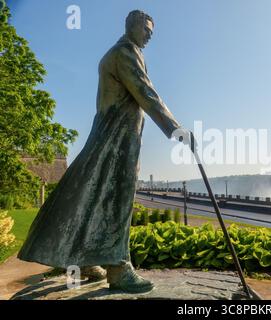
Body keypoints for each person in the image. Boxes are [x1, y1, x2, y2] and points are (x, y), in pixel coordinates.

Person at [18, 10, 188, 293]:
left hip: (109, 134)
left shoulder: (122, 52)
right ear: (131, 26)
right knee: (118, 199)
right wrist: (175, 128)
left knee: (91, 194)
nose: (149, 35)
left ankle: (83, 259)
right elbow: (146, 93)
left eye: (152, 32)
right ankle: (120, 269)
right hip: (118, 138)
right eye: (145, 29)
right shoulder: (125, 53)